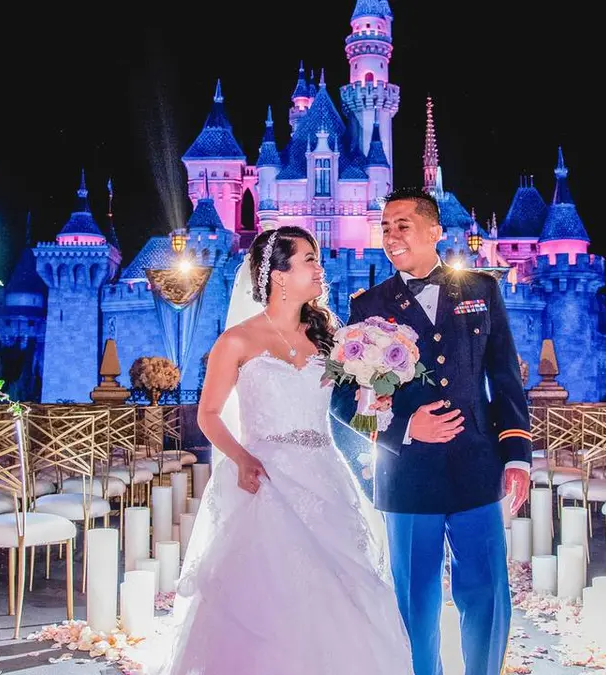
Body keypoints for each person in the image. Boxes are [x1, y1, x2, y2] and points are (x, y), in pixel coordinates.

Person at [141, 226, 414, 675]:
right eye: (309, 259)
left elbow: (350, 409)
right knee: (266, 597)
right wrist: (242, 458)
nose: (320, 268)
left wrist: (376, 401)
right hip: (264, 480)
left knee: (336, 597)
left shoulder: (331, 338)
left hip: (324, 477)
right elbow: (209, 414)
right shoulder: (236, 341)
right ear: (279, 275)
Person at [331, 188, 532, 675]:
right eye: (385, 227)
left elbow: (505, 378)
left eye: (402, 225)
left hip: (477, 466)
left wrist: (517, 456)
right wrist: (404, 427)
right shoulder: (367, 306)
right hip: (407, 475)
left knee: (486, 594)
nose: (391, 236)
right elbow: (341, 403)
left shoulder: (482, 290)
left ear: (435, 231)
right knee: (413, 603)